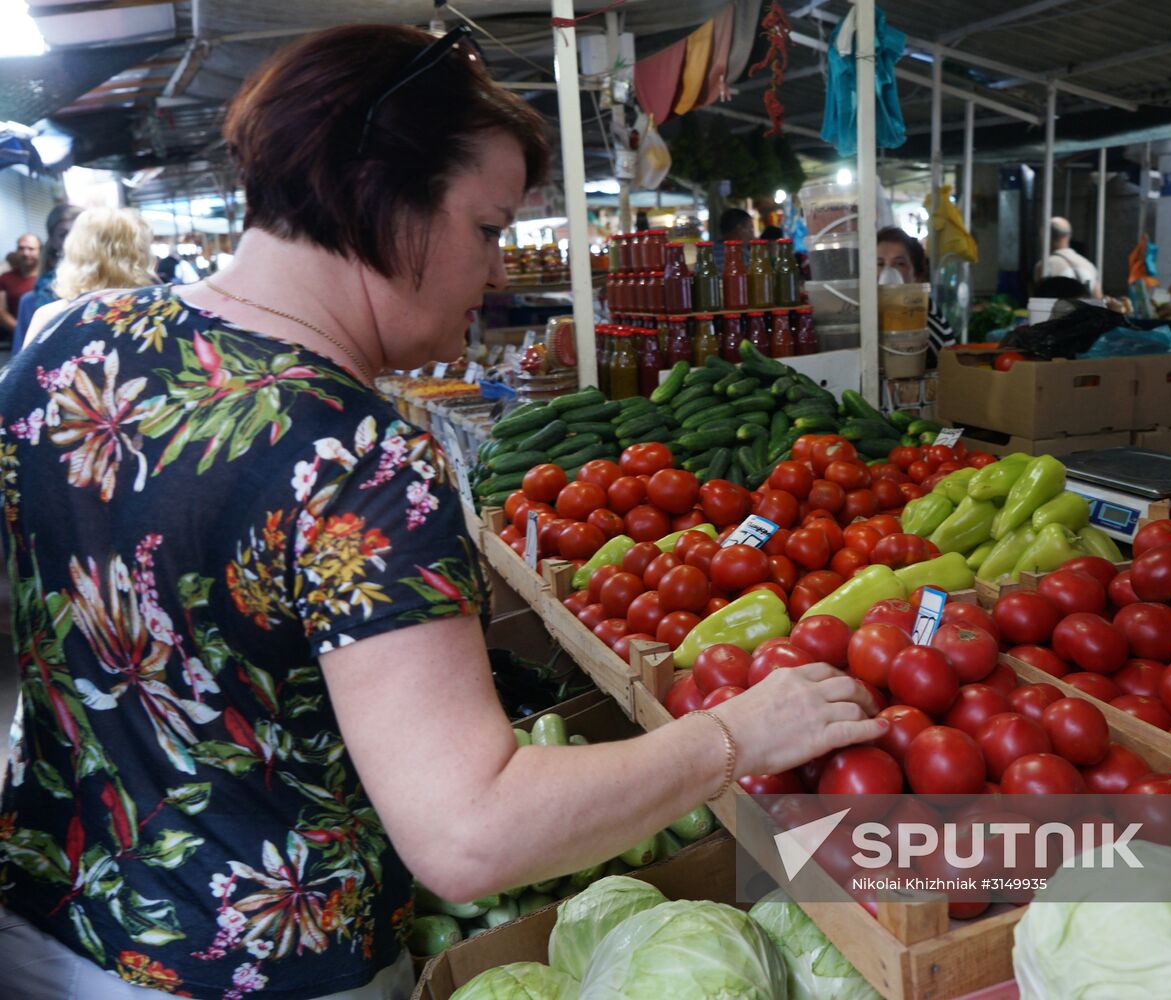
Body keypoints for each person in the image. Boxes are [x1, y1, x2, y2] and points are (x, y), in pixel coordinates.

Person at [0, 24, 881, 1000]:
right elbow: (470, 831)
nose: (499, 273)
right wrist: (732, 738)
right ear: (379, 197)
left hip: (47, 925)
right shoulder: (355, 456)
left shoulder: (68, 341)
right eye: (489, 228)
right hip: (265, 975)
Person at [22, 207, 156, 348]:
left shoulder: (48, 314)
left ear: (76, 248)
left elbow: (22, 368)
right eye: (64, 234)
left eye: (72, 234)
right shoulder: (161, 309)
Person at [877, 226, 956, 366]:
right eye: (879, 263)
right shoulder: (871, 312)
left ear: (917, 275)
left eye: (899, 264)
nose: (887, 272)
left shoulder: (922, 312)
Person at [13, 204, 81, 345]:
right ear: (53, 240)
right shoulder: (31, 302)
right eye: (64, 235)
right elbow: (21, 359)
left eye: (79, 234)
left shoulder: (111, 288)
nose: (73, 242)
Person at [1037, 217, 1101, 297]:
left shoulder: (1044, 266)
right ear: (1069, 236)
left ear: (1045, 236)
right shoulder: (1089, 265)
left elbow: (1039, 302)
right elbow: (1098, 299)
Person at [0, 232, 41, 341]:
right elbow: (1, 311)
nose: (25, 253)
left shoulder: (49, 278)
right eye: (21, 248)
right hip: (18, 337)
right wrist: (22, 331)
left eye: (31, 249)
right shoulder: (5, 277)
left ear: (40, 252)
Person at [713, 206, 755, 271]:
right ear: (740, 229)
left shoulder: (710, 251)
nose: (752, 235)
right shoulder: (739, 254)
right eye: (750, 228)